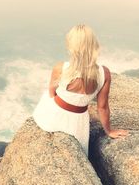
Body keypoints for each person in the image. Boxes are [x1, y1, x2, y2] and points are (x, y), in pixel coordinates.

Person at [32, 24, 130, 157]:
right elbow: (103, 107)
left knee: (47, 95)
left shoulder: (61, 68)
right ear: (93, 45)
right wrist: (109, 131)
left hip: (53, 118)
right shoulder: (104, 73)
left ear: (72, 46)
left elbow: (51, 91)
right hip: (78, 122)